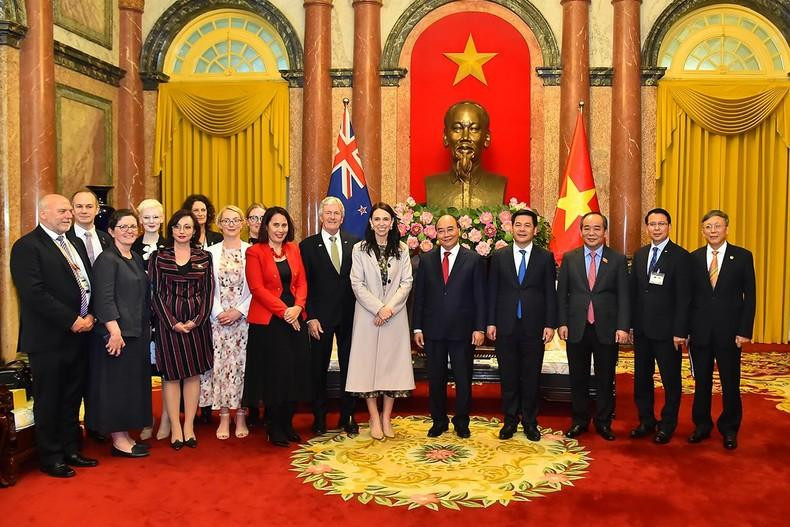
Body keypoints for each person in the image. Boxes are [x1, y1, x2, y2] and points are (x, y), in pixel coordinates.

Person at [10, 194, 98, 478]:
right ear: (43, 213)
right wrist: (71, 320)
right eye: (62, 211)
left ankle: (71, 448)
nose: (69, 215)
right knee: (49, 398)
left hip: (80, 334)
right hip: (48, 338)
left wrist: (91, 315)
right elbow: (33, 292)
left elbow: (87, 283)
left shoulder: (73, 243)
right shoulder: (27, 247)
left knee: (73, 396)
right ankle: (50, 456)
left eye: (69, 211)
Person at [557, 212, 630, 441]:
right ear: (580, 231)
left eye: (597, 228)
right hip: (577, 327)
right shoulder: (570, 258)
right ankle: (579, 420)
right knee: (577, 377)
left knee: (605, 378)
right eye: (587, 228)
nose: (591, 233)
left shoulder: (617, 260)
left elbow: (624, 297)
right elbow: (562, 295)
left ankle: (603, 422)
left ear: (605, 232)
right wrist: (562, 322)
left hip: (606, 328)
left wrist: (623, 326)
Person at [85, 209, 152, 458]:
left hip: (136, 333)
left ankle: (125, 435)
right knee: (115, 387)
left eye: (133, 226)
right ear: (111, 231)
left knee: (129, 387)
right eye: (123, 227)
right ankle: (118, 441)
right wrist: (114, 331)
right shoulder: (107, 259)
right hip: (116, 336)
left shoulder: (134, 257)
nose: (129, 231)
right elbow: (103, 299)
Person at [345, 203, 415, 440]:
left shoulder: (402, 249)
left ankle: (387, 417)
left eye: (386, 219)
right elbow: (357, 283)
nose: (382, 223)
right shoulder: (359, 249)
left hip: (394, 316)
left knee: (392, 367)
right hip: (368, 315)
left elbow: (406, 282)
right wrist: (378, 308)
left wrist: (389, 309)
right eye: (377, 219)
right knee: (368, 367)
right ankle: (374, 417)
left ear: (392, 222)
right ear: (371, 222)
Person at [486, 209, 557, 441]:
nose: (522, 229)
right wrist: (490, 322)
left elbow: (549, 293)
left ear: (535, 230)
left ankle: (529, 421)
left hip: (534, 327)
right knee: (508, 376)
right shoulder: (499, 256)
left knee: (530, 376)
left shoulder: (545, 257)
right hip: (505, 325)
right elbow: (492, 291)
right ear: (511, 228)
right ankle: (509, 421)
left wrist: (550, 324)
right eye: (518, 225)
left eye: (527, 225)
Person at [687, 210, 756, 450]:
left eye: (717, 226)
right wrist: (685, 329)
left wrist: (744, 329)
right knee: (701, 382)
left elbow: (751, 297)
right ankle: (702, 426)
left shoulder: (743, 256)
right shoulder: (693, 258)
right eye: (708, 227)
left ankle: (729, 429)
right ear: (702, 230)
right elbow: (688, 297)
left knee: (730, 382)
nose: (713, 231)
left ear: (726, 228)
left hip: (730, 333)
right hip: (700, 332)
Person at [413, 214, 485, 439]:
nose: (446, 234)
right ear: (436, 233)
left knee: (463, 379)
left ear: (459, 231)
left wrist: (479, 328)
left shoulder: (473, 259)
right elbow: (420, 296)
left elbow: (479, 297)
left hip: (463, 330)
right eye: (441, 230)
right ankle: (439, 421)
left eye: (450, 229)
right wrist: (417, 328)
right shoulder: (426, 259)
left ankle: (462, 421)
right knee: (436, 379)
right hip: (433, 330)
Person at [244, 207, 311, 447]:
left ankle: (287, 423)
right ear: (266, 227)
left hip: (294, 320)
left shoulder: (294, 249)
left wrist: (297, 308)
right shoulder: (255, 252)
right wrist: (284, 312)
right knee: (275, 376)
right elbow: (257, 289)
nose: (280, 230)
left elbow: (302, 282)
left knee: (294, 374)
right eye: (275, 225)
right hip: (269, 323)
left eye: (284, 225)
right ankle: (273, 426)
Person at [149, 210, 214, 450]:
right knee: (172, 375)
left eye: (188, 227)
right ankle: (175, 426)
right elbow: (154, 293)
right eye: (178, 227)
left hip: (196, 325)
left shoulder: (204, 256)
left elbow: (209, 292)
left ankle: (189, 427)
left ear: (194, 230)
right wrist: (172, 322)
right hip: (169, 325)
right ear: (171, 230)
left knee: (193, 375)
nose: (182, 231)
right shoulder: (158, 256)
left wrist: (197, 320)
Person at [629, 208, 690, 444]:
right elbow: (635, 293)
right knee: (641, 379)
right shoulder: (640, 254)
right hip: (642, 332)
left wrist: (680, 331)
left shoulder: (680, 256)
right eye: (652, 224)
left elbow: (684, 298)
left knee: (670, 380)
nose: (656, 228)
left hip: (668, 333)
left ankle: (667, 424)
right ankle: (646, 421)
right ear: (647, 228)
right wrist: (632, 325)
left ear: (669, 227)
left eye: (661, 224)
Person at [300, 197, 360, 436]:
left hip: (349, 316)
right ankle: (319, 417)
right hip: (319, 319)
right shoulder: (307, 246)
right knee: (318, 370)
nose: (333, 217)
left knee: (350, 369)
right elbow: (304, 285)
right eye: (328, 213)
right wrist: (310, 316)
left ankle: (348, 416)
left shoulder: (355, 244)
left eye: (337, 213)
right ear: (321, 217)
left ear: (342, 218)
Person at [200, 206, 252, 440]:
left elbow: (256, 288)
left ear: (243, 223)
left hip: (244, 320)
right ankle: (222, 415)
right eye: (226, 220)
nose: (231, 224)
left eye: (236, 220)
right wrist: (220, 312)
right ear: (219, 224)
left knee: (242, 367)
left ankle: (240, 414)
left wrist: (239, 311)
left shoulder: (251, 251)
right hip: (218, 320)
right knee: (220, 367)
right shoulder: (209, 253)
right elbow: (206, 288)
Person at [132, 198, 168, 442]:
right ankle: (146, 419)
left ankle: (167, 417)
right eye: (147, 217)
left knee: (167, 370)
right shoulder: (130, 244)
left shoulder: (172, 244)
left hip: (166, 315)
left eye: (156, 217)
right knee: (141, 371)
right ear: (140, 220)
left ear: (163, 219)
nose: (151, 221)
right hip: (138, 314)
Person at [424, 101, 507, 208]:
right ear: (445, 137)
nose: (465, 137)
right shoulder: (433, 185)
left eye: (474, 129)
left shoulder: (498, 185)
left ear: (487, 137)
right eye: (457, 128)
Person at [69, 189, 111, 266]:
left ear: (97, 210)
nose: (84, 211)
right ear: (72, 210)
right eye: (79, 206)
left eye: (89, 206)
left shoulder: (106, 238)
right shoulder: (65, 237)